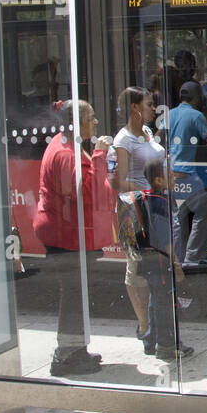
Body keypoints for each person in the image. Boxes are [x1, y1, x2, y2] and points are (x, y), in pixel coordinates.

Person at [32, 100, 112, 375]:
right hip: (65, 235)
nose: (96, 123)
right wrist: (100, 155)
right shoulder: (67, 154)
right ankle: (66, 356)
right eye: (92, 118)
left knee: (75, 294)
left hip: (66, 233)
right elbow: (88, 194)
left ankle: (75, 350)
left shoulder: (65, 144)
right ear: (76, 123)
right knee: (74, 295)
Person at [109, 86, 167, 353]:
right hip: (138, 212)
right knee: (137, 271)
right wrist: (147, 189)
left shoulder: (145, 134)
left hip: (157, 206)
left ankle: (155, 328)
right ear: (135, 108)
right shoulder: (123, 141)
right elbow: (120, 183)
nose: (152, 108)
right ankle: (145, 327)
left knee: (157, 269)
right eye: (148, 104)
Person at [117, 159, 187, 362]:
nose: (174, 178)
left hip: (149, 261)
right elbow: (166, 241)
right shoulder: (161, 202)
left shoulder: (151, 198)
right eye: (170, 175)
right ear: (158, 180)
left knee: (154, 299)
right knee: (164, 302)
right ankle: (166, 346)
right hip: (161, 262)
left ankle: (150, 341)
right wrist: (176, 265)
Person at [165, 80, 207, 268]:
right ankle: (193, 258)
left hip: (170, 172)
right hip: (187, 173)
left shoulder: (169, 114)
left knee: (178, 217)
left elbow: (160, 135)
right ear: (197, 98)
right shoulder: (196, 115)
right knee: (204, 212)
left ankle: (177, 259)